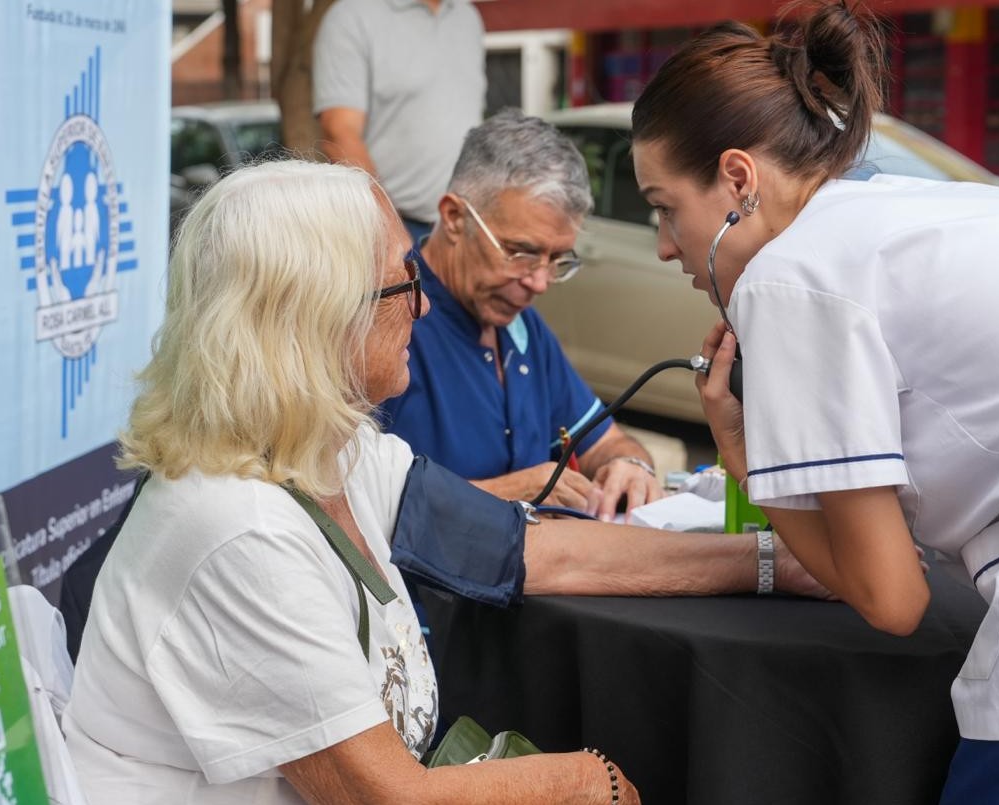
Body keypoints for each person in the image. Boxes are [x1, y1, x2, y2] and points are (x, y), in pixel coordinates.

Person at [64, 159, 834, 804]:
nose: (425, 304)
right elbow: (391, 796)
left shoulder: (334, 454)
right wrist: (586, 777)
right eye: (402, 284)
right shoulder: (241, 529)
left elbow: (537, 554)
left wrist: (771, 561)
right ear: (315, 319)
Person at [630, 7, 999, 804]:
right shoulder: (924, 210)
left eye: (664, 206)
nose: (665, 244)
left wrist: (741, 454)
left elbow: (891, 598)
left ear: (738, 179)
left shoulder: (790, 275)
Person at [382, 110, 665, 519]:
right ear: (455, 218)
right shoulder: (386, 319)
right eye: (522, 253)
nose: (540, 282)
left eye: (557, 259)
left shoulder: (519, 324)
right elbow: (354, 505)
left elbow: (605, 442)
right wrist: (512, 492)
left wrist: (628, 467)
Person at [313, 0, 484, 241]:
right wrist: (390, 229)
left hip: (470, 223)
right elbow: (338, 134)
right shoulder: (352, 15)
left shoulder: (467, 17)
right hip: (399, 225)